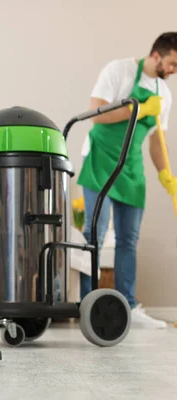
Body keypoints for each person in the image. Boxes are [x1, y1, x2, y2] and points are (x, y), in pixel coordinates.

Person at [78, 32, 177, 329]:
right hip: (101, 158)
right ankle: (87, 303)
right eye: (173, 63)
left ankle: (129, 308)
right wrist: (137, 108)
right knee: (93, 232)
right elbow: (97, 113)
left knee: (128, 240)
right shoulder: (118, 70)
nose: (174, 70)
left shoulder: (164, 94)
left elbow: (156, 141)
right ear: (157, 55)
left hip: (131, 165)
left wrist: (166, 175)